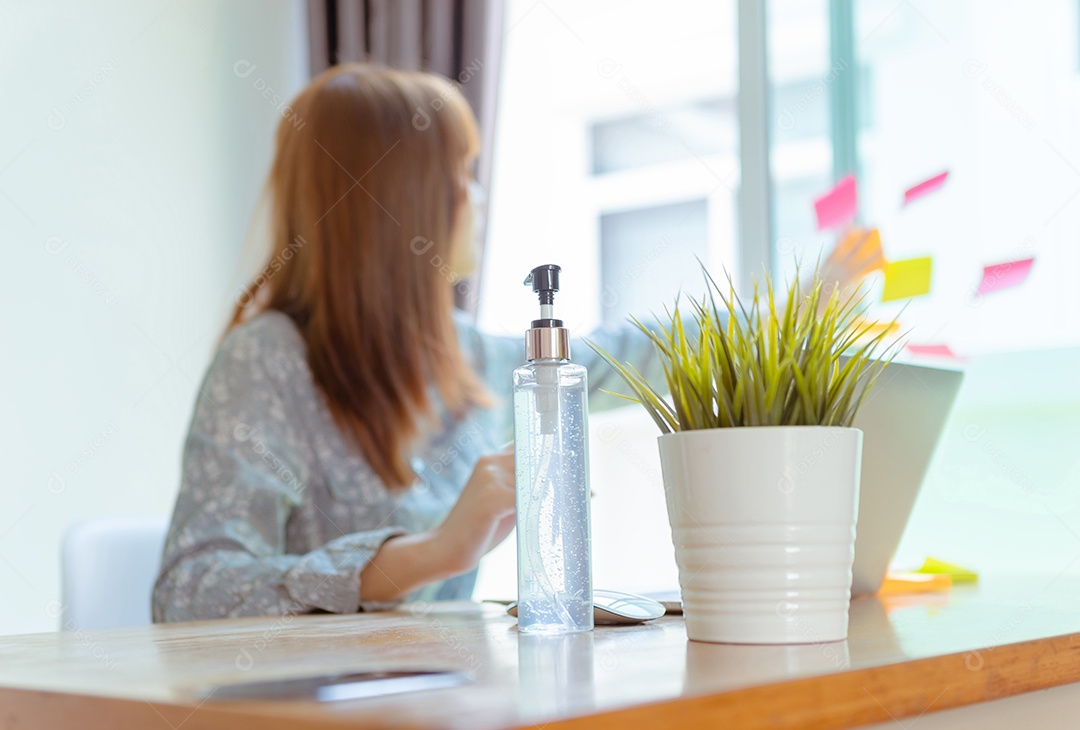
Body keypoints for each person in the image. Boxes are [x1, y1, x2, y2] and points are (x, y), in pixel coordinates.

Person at [151, 65, 661, 622]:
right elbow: (188, 593)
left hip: (439, 692)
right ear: (401, 200)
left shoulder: (469, 359)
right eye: (462, 173)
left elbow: (627, 357)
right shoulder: (265, 361)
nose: (480, 196)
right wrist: (432, 552)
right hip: (307, 702)